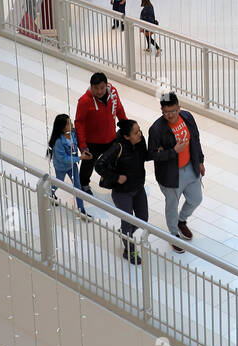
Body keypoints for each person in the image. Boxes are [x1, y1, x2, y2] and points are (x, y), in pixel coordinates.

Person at [148, 92, 205, 253]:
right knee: (172, 206)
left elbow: (196, 139)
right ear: (162, 110)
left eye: (173, 111)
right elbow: (152, 154)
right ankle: (174, 234)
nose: (170, 115)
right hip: (170, 175)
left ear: (179, 108)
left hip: (190, 166)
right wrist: (174, 151)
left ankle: (182, 220)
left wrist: (200, 160)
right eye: (166, 112)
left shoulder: (187, 117)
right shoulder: (157, 129)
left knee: (196, 198)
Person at [102, 118, 153, 264]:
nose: (140, 134)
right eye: (136, 133)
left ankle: (126, 233)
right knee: (127, 221)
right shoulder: (118, 147)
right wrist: (116, 177)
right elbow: (100, 165)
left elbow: (145, 156)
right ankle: (129, 251)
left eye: (139, 131)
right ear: (126, 136)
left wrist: (160, 152)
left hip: (138, 187)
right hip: (122, 192)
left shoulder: (140, 142)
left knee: (143, 219)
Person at [74, 72, 127, 194]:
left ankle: (110, 181)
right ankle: (84, 184)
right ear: (91, 86)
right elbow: (79, 123)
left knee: (114, 162)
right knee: (88, 164)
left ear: (106, 85)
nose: (99, 91)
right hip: (92, 142)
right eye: (96, 88)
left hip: (111, 137)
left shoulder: (112, 92)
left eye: (102, 88)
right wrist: (82, 146)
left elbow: (119, 108)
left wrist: (126, 126)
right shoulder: (84, 101)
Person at [46, 113, 89, 216]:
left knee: (77, 186)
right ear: (62, 127)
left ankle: (81, 210)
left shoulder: (73, 134)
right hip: (61, 166)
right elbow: (63, 159)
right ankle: (50, 193)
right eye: (68, 123)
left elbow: (79, 143)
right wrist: (79, 158)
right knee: (59, 182)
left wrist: (84, 151)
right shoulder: (58, 142)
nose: (72, 124)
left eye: (71, 121)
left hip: (72, 165)